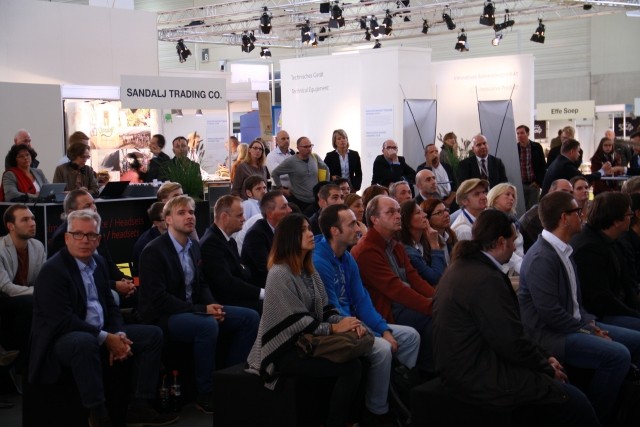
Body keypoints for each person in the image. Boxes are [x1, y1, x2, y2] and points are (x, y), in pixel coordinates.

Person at [433, 209, 600, 427]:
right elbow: (509, 340)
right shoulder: (484, 279)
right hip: (478, 374)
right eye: (512, 241)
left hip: (471, 365)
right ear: (501, 242)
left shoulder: (464, 267)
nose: (514, 247)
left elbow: (510, 334)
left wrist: (544, 358)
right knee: (575, 402)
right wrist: (545, 366)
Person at [29, 209, 177, 427]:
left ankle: (139, 405)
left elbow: (111, 306)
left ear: (98, 240)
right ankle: (98, 413)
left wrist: (118, 333)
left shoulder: (98, 263)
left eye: (91, 235)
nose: (84, 240)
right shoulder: (53, 270)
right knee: (85, 341)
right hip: (61, 338)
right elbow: (63, 321)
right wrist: (105, 338)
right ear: (67, 238)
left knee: (153, 335)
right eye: (78, 234)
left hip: (100, 330)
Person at [519, 191, 640, 424]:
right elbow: (551, 314)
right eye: (577, 212)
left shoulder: (563, 249)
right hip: (552, 336)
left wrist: (590, 325)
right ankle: (593, 417)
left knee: (636, 340)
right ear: (564, 218)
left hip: (572, 326)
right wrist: (588, 329)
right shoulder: (542, 257)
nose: (583, 215)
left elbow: (576, 304)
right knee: (618, 355)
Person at [138, 195, 259, 414]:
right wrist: (203, 310)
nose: (189, 217)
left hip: (192, 309)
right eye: (182, 213)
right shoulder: (153, 251)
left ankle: (229, 379)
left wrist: (213, 305)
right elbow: (159, 299)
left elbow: (201, 284)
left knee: (249, 317)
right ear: (168, 219)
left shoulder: (194, 246)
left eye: (192, 212)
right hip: (163, 316)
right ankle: (206, 392)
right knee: (207, 325)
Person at [246, 213, 363, 427]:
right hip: (284, 348)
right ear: (290, 237)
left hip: (306, 340)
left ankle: (349, 419)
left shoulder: (309, 271)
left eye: (309, 228)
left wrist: (349, 323)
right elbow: (295, 321)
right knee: (351, 367)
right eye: (303, 230)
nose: (310, 234)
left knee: (360, 357)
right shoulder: (279, 273)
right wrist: (334, 329)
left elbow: (325, 309)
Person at [314, 204, 420, 426]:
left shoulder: (347, 257)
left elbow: (362, 300)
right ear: (335, 231)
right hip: (337, 327)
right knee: (382, 349)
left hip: (357, 321)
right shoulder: (319, 261)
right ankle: (377, 411)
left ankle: (395, 389)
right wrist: (378, 334)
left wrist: (383, 329)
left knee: (411, 337)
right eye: (352, 224)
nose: (358, 228)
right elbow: (332, 310)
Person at [351, 195, 436, 373]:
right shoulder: (366, 250)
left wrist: (438, 299)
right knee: (432, 319)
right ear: (374, 219)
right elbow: (396, 290)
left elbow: (415, 279)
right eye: (390, 212)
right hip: (385, 312)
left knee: (442, 312)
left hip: (400, 305)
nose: (398, 216)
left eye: (398, 211)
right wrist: (432, 307)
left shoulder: (395, 244)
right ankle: (425, 374)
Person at [47, 190, 136, 306]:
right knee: (113, 296)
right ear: (71, 213)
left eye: (94, 203)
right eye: (87, 206)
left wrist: (126, 281)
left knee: (139, 285)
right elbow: (76, 277)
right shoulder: (62, 237)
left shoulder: (96, 230)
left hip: (105, 283)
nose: (94, 208)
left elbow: (109, 263)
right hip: (80, 292)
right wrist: (114, 285)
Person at [570, 192, 640, 330]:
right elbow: (601, 299)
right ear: (616, 221)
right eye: (629, 214)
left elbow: (627, 284)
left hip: (617, 306)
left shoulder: (612, 239)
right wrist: (634, 314)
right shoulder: (588, 249)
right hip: (600, 315)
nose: (631, 217)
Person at [0, 204, 45, 382]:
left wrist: (43, 292)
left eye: (32, 218)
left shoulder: (37, 246)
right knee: (30, 303)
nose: (32, 223)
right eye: (25, 220)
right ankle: (24, 365)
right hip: (4, 299)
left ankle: (30, 362)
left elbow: (43, 280)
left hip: (26, 299)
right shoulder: (1, 249)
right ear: (10, 226)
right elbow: (6, 288)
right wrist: (39, 292)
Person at [200, 195, 263, 313]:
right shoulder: (211, 243)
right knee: (268, 306)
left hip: (235, 295)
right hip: (222, 302)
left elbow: (242, 272)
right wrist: (261, 292)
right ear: (224, 217)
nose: (244, 219)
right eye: (239, 215)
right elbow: (226, 282)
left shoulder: (229, 241)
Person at [241, 190, 292, 287]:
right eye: (284, 207)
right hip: (265, 288)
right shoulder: (256, 235)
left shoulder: (284, 229)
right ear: (270, 213)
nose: (290, 210)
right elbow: (268, 269)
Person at [271, 136, 329, 212]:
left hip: (316, 200)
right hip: (299, 201)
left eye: (310, 146)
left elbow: (326, 169)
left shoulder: (315, 157)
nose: (309, 149)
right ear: (298, 148)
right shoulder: (291, 161)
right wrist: (281, 188)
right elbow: (275, 173)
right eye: (305, 147)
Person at [520, 179, 574, 253]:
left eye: (571, 193)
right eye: (563, 191)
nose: (568, 196)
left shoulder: (556, 212)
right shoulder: (536, 216)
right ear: (550, 192)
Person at [399, 200, 446, 285]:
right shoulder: (408, 252)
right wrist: (434, 245)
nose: (425, 215)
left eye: (422, 211)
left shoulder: (425, 240)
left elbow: (444, 268)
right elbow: (435, 278)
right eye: (418, 213)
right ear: (406, 221)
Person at [541, 139, 610, 197]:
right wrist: (602, 171)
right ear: (572, 151)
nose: (579, 154)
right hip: (551, 201)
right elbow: (583, 179)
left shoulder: (559, 160)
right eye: (578, 151)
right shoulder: (566, 165)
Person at [487, 183, 524, 274]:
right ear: (495, 198)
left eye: (513, 196)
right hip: (506, 269)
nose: (511, 198)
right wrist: (524, 268)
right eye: (507, 194)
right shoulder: (490, 220)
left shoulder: (513, 220)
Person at [131, 202, 166, 278]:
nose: (171, 220)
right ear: (156, 223)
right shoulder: (145, 244)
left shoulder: (175, 235)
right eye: (166, 219)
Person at [416, 144, 457, 209]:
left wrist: (449, 201)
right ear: (426, 155)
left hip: (450, 201)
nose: (434, 154)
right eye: (431, 152)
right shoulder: (422, 168)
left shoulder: (447, 166)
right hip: (432, 203)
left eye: (436, 151)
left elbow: (455, 185)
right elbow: (424, 187)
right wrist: (429, 163)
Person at [517, 125, 547, 210]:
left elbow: (543, 166)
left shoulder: (536, 147)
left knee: (533, 209)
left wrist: (538, 182)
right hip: (520, 185)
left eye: (522, 133)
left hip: (533, 184)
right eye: (518, 133)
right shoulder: (515, 148)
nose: (519, 135)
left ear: (528, 133)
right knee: (520, 209)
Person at [420, 199, 457, 266]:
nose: (446, 214)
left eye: (446, 210)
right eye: (439, 213)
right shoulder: (424, 243)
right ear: (427, 219)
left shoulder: (451, 235)